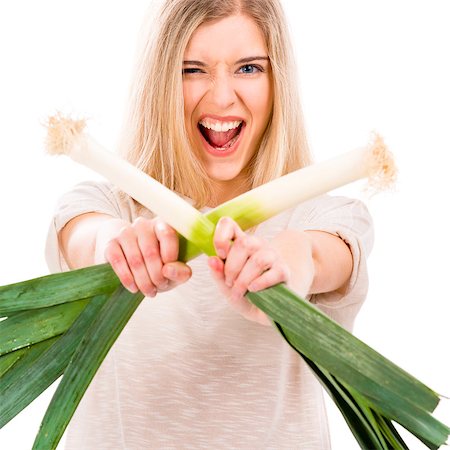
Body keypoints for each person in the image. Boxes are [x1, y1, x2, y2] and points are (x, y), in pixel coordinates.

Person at [45, 0, 374, 448]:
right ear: (159, 82)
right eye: (192, 70)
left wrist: (288, 260)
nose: (222, 97)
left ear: (278, 82)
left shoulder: (324, 216)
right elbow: (85, 236)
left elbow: (320, 254)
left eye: (249, 69)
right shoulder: (104, 206)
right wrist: (119, 247)